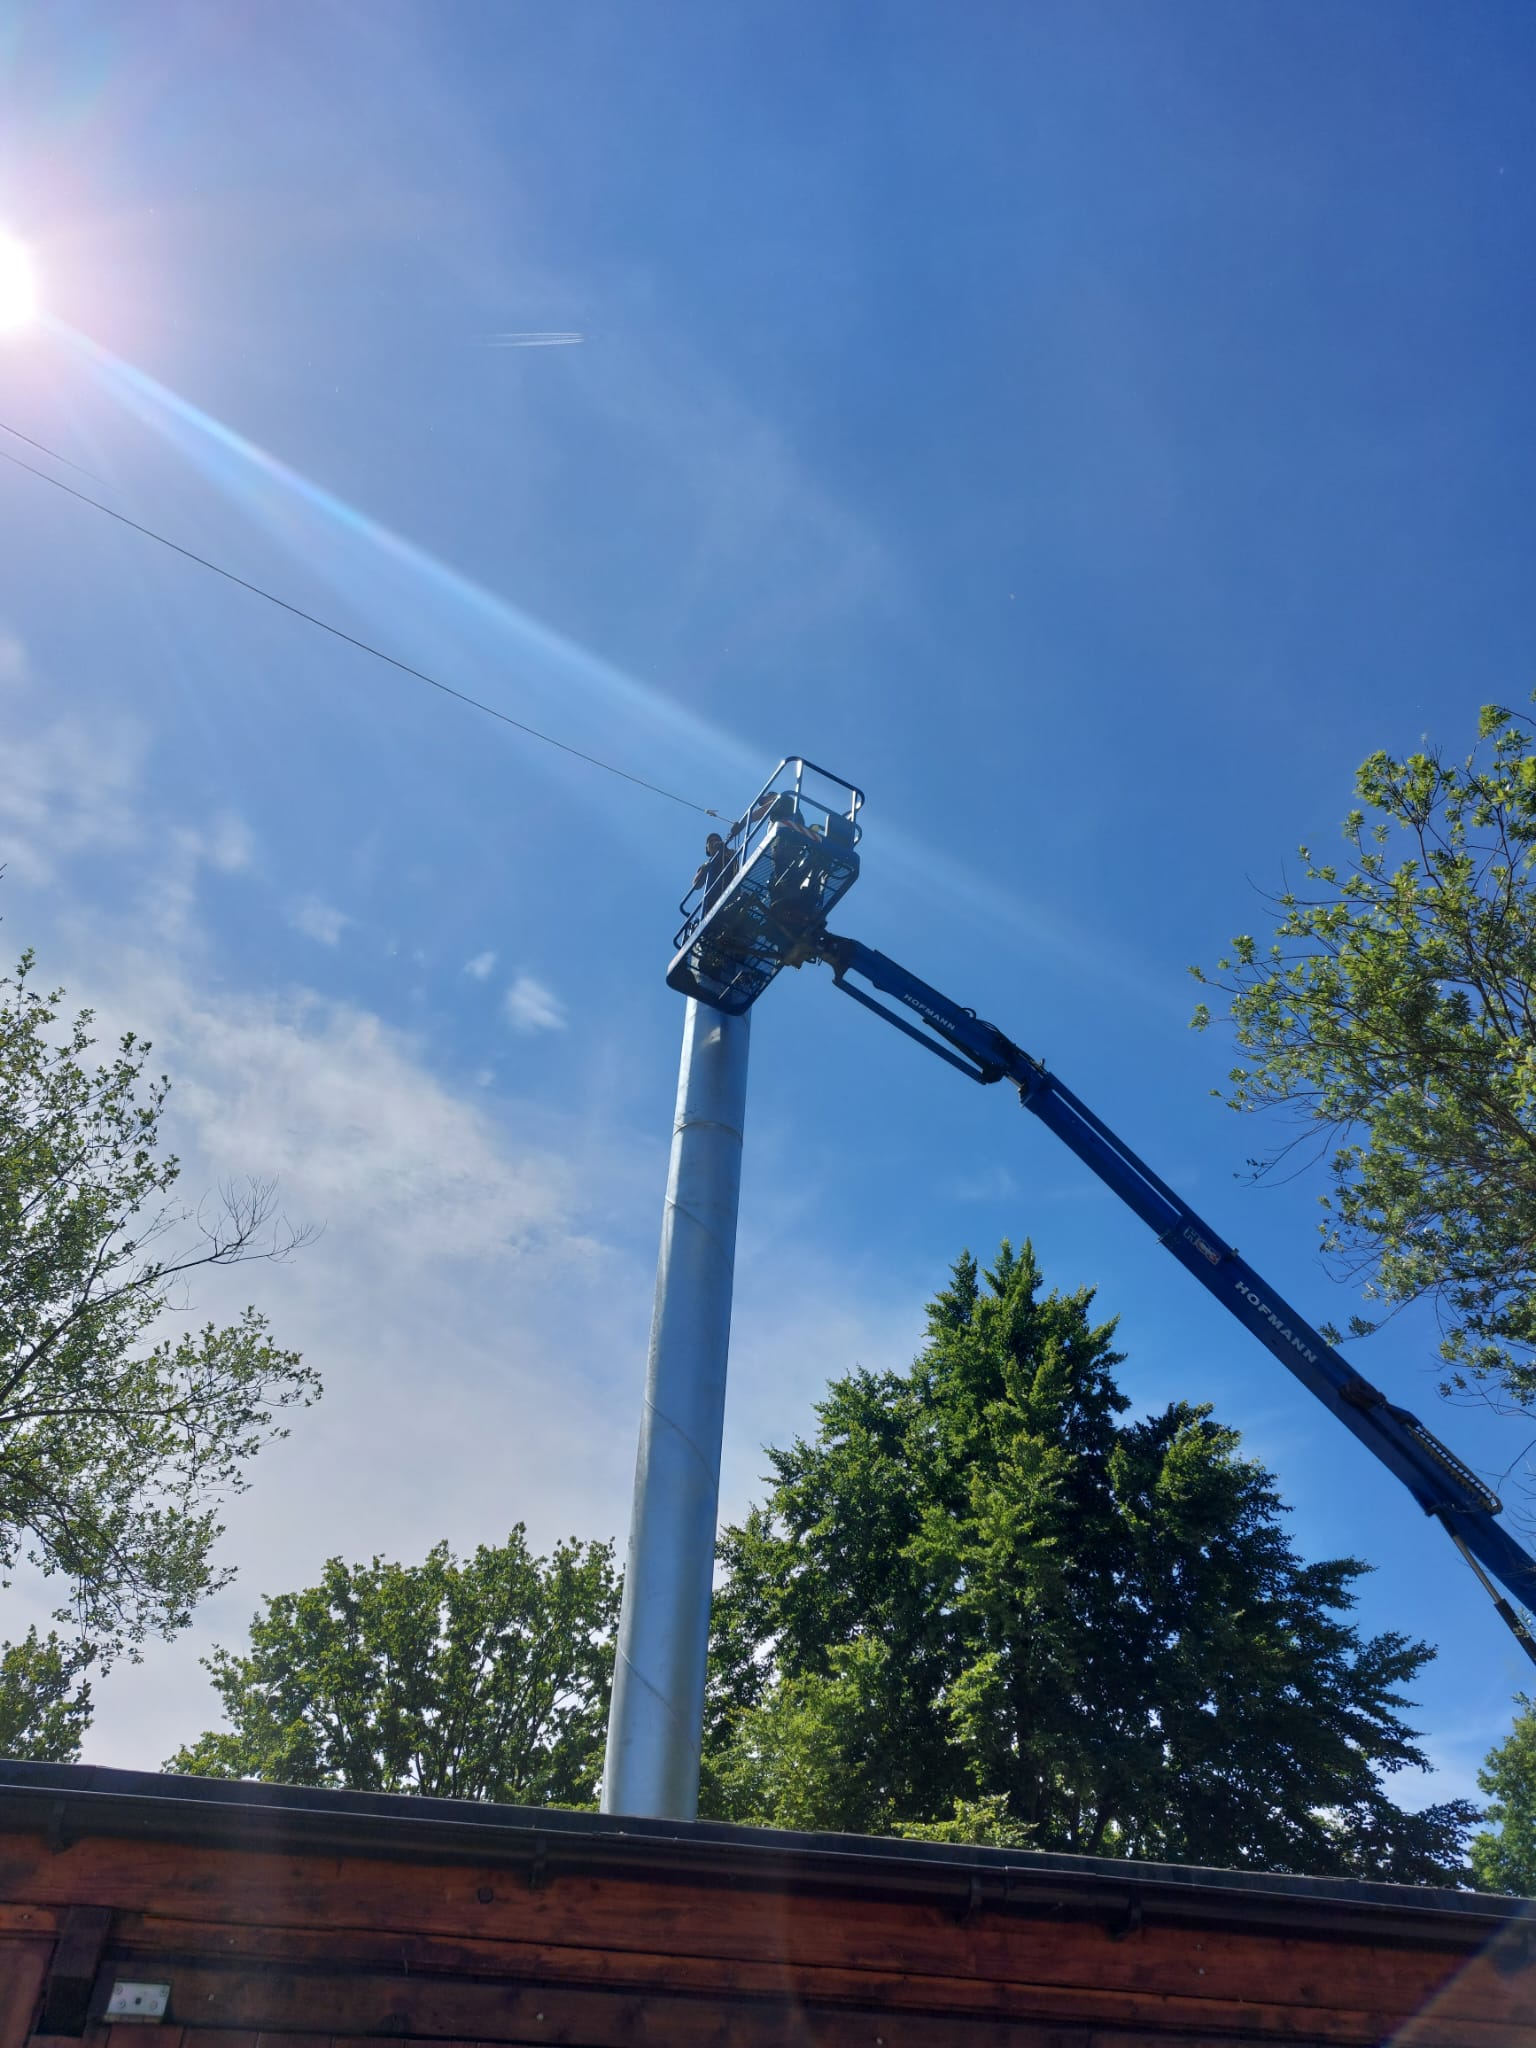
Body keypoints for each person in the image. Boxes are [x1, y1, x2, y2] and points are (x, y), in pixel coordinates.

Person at [692, 831, 737, 914]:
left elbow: (735, 858)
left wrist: (725, 850)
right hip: (713, 904)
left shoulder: (728, 854)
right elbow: (696, 885)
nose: (714, 842)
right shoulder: (706, 866)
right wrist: (704, 869)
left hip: (732, 895)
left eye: (717, 840)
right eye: (711, 841)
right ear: (707, 848)